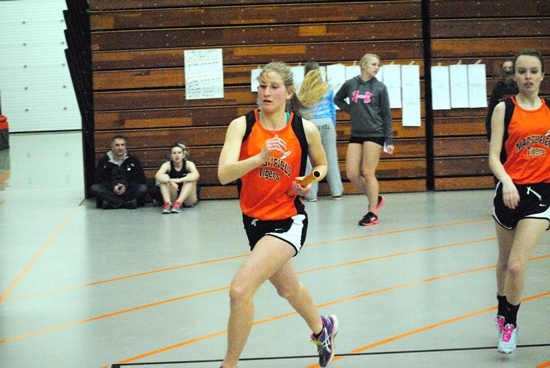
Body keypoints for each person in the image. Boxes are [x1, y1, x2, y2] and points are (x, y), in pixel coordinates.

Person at [217, 61, 338, 368]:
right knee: (288, 288)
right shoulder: (242, 125)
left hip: (288, 220)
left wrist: (306, 183)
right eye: (262, 86)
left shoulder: (303, 129)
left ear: (288, 92)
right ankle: (322, 329)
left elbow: (321, 166)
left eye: (273, 87)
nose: (266, 93)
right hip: (255, 222)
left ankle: (228, 366)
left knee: (240, 290)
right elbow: (223, 174)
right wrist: (259, 157)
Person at [488, 49, 549, 355]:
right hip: (509, 192)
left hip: (540, 196)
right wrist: (507, 182)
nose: (528, 76)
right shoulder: (505, 109)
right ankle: (502, 306)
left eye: (533, 71)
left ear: (541, 75)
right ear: (515, 76)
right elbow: (493, 157)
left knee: (515, 265)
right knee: (502, 262)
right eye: (522, 71)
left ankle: (510, 323)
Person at [334, 53, 394, 226]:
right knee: (352, 174)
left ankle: (372, 212)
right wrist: (350, 109)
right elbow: (337, 98)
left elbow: (387, 115)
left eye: (378, 65)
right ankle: (376, 197)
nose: (377, 67)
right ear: (364, 65)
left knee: (367, 172)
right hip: (357, 133)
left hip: (375, 133)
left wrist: (389, 140)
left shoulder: (380, 87)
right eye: (374, 64)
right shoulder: (351, 84)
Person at [299, 61, 344, 201]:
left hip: (311, 124)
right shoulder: (327, 88)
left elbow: (300, 110)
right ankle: (337, 192)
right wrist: (333, 127)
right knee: (330, 158)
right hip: (327, 123)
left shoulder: (302, 89)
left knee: (310, 161)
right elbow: (332, 109)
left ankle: (311, 194)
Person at [90, 135, 148, 209]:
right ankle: (126, 203)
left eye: (122, 145)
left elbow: (141, 179)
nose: (120, 148)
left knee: (143, 188)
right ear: (112, 148)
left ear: (125, 147)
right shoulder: (104, 161)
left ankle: (112, 203)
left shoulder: (133, 160)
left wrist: (126, 186)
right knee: (95, 188)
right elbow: (98, 180)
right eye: (117, 145)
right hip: (110, 191)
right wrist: (113, 186)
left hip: (128, 191)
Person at [149, 143, 199, 213]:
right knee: (164, 178)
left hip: (187, 197)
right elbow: (158, 175)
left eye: (179, 153)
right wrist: (170, 181)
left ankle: (178, 203)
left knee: (190, 178)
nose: (177, 155)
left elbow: (196, 175)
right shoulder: (167, 164)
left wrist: (179, 180)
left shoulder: (189, 164)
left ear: (183, 155)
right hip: (174, 193)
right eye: (174, 153)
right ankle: (168, 204)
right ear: (171, 156)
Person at [485, 58, 519, 141]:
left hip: (518, 127)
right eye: (505, 68)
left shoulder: (521, 87)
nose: (508, 71)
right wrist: (490, 136)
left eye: (510, 68)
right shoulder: (499, 87)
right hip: (502, 128)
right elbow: (491, 112)